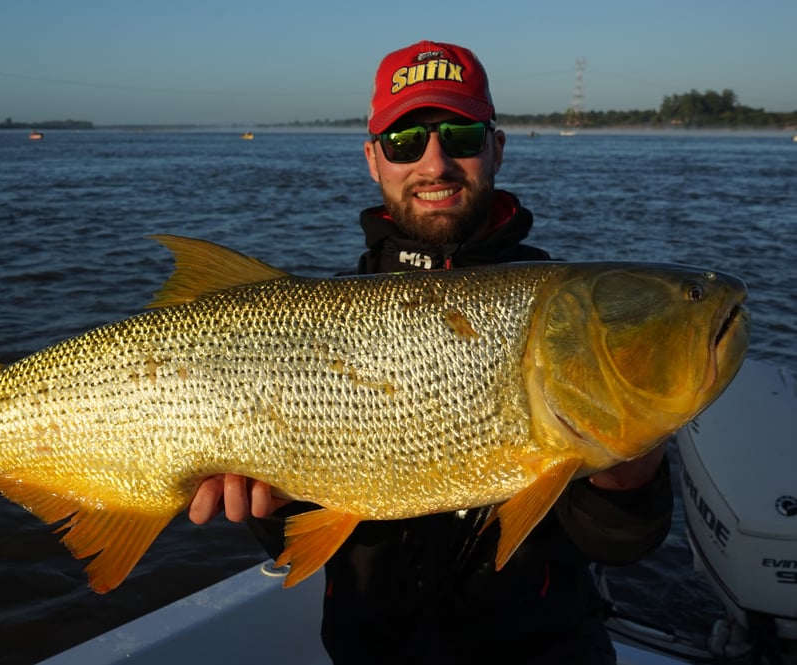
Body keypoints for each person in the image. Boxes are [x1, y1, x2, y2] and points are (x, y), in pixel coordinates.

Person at [188, 40, 673, 664]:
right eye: (404, 142)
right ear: (373, 160)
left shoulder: (573, 315)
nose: (435, 162)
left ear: (496, 147)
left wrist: (629, 476)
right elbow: (300, 540)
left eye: (461, 136)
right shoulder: (308, 317)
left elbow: (624, 543)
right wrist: (266, 504)